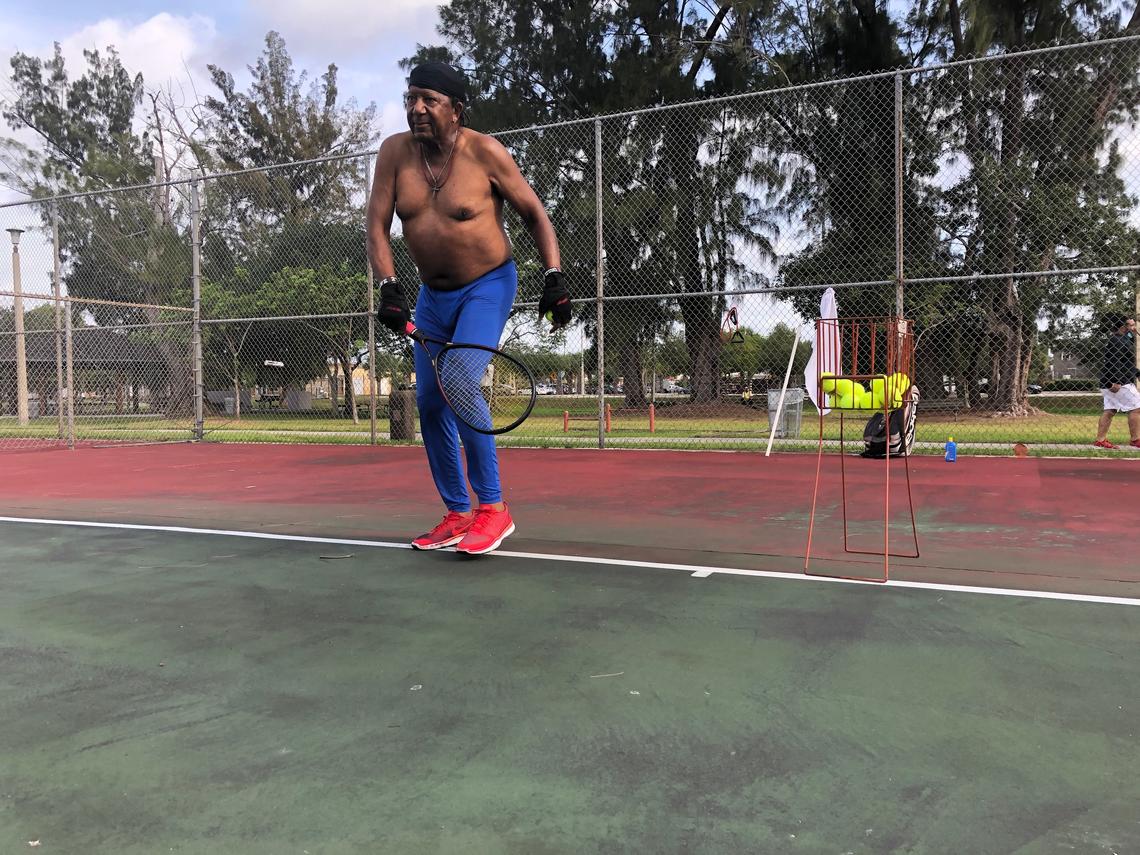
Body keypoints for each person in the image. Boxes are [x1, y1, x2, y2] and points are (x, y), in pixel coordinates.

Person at [366, 61, 571, 555]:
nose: (416, 108)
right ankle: (457, 512)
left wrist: (554, 275)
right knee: (430, 401)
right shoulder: (394, 153)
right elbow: (376, 223)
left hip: (488, 284)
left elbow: (534, 212)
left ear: (456, 110)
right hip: (430, 296)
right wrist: (388, 286)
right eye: (411, 98)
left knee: (457, 379)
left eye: (429, 100)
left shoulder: (485, 153)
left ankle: (494, 511)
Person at [1093, 313, 1140, 449]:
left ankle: (1100, 440)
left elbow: (1125, 363)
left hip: (1111, 381)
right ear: (1122, 326)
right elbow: (1114, 361)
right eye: (1131, 325)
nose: (1134, 327)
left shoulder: (1123, 339)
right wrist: (1115, 381)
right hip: (1117, 383)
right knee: (1137, 407)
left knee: (1110, 410)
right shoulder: (1117, 341)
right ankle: (1136, 439)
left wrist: (1137, 373)